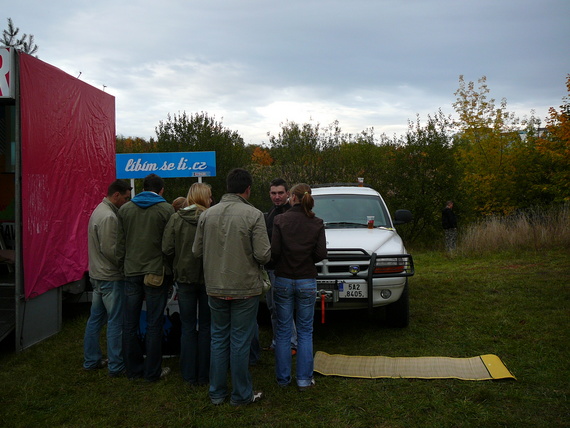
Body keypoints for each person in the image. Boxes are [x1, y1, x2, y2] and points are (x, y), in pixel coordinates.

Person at [193, 168, 270, 406]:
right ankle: (241, 394)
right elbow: (263, 254)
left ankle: (216, 393)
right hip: (245, 288)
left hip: (215, 286)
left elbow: (196, 250)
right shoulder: (254, 215)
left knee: (218, 338)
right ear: (247, 189)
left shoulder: (207, 215)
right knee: (239, 340)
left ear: (227, 187)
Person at [117, 173, 175, 382]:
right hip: (156, 273)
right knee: (154, 323)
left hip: (131, 270)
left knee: (129, 323)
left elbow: (120, 243)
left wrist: (122, 264)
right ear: (161, 190)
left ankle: (133, 370)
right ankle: (152, 371)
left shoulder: (125, 209)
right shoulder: (166, 209)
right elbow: (169, 245)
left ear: (142, 188)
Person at [271, 183, 327, 391]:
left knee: (284, 332)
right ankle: (304, 380)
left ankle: (283, 380)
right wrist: (306, 259)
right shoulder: (317, 222)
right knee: (305, 331)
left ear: (292, 197)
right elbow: (321, 254)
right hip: (306, 279)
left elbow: (274, 251)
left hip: (284, 278)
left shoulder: (280, 220)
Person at [162, 182, 212, 386]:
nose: (211, 200)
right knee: (208, 327)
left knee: (188, 327)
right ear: (203, 197)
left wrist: (177, 263)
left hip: (184, 279)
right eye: (209, 196)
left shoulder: (176, 218)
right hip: (208, 280)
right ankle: (205, 374)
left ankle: (188, 375)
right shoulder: (211, 218)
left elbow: (166, 248)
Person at [83, 180, 132, 377]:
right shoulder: (109, 217)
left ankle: (92, 359)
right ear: (116, 195)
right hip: (110, 277)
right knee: (115, 322)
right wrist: (126, 267)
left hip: (97, 274)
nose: (126, 202)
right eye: (126, 198)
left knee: (95, 319)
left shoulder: (99, 210)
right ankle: (116, 365)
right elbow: (112, 251)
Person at [263, 178, 297, 354]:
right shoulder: (271, 212)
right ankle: (277, 342)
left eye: (280, 193)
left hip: (282, 269)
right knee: (272, 307)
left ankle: (291, 343)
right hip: (269, 267)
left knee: (282, 307)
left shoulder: (289, 213)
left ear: (288, 194)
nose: (277, 197)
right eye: (273, 193)